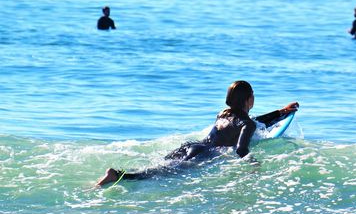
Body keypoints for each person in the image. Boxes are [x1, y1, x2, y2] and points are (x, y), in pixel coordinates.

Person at [96, 80, 299, 186]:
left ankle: (121, 174)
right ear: (248, 100)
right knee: (162, 174)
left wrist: (281, 112)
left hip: (193, 145)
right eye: (253, 95)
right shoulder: (247, 124)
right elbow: (241, 149)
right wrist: (254, 164)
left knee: (158, 167)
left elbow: (254, 121)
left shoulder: (223, 113)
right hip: (205, 154)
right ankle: (119, 176)